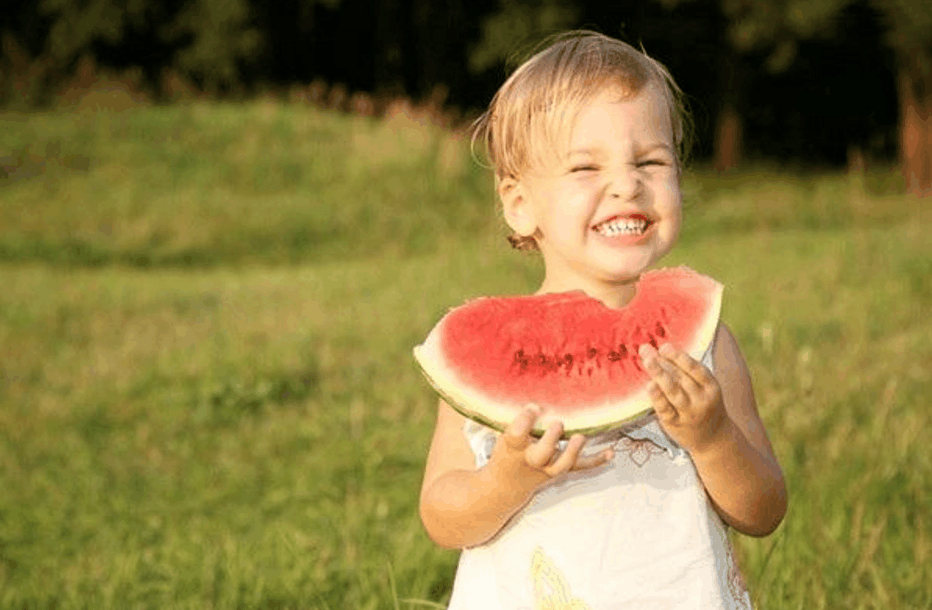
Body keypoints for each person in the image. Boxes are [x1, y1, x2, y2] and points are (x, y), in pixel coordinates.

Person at [418, 31, 788, 609]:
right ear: (519, 204)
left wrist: (714, 438)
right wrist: (506, 478)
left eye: (651, 160)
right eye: (585, 168)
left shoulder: (707, 345)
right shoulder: (494, 363)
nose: (626, 184)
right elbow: (442, 516)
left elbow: (763, 510)